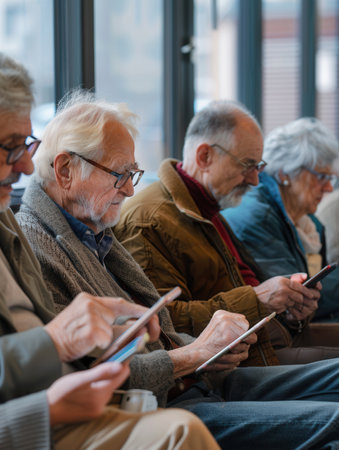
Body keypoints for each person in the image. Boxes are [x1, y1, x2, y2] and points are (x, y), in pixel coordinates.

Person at [15, 90, 339, 449]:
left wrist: (209, 349)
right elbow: (92, 378)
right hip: (164, 403)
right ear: (64, 170)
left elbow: (163, 332)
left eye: (133, 174)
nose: (127, 190)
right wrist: (197, 352)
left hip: (199, 382)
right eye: (120, 174)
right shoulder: (36, 247)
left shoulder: (96, 231)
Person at [0, 52, 221, 450]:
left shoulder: (19, 224)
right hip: (52, 413)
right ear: (65, 170)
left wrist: (107, 340)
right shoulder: (37, 234)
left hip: (114, 395)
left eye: (25, 145)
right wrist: (60, 344)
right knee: (182, 431)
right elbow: (55, 348)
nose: (27, 168)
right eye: (11, 148)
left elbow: (82, 349)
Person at [115, 100, 339, 364]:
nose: (255, 179)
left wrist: (289, 312)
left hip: (259, 354)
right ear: (204, 157)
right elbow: (160, 323)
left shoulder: (209, 206)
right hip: (222, 375)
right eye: (246, 165)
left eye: (258, 166)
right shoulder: (150, 219)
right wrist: (257, 299)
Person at [224, 117, 339, 322]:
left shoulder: (309, 223)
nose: (329, 188)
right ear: (284, 174)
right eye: (321, 176)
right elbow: (296, 299)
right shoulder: (258, 216)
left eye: (331, 178)